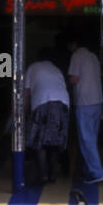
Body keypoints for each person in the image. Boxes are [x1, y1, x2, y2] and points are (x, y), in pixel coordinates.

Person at [25, 47, 70, 186]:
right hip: (62, 103)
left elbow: (26, 92)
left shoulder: (32, 67)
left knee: (39, 141)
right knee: (54, 142)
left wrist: (26, 111)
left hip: (42, 102)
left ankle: (43, 175)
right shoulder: (56, 69)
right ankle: (52, 175)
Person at [67, 34, 103, 184]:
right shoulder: (93, 57)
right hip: (97, 101)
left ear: (74, 44)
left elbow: (74, 79)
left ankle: (96, 173)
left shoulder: (77, 56)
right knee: (92, 138)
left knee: (86, 139)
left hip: (84, 101)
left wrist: (67, 80)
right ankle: (89, 169)